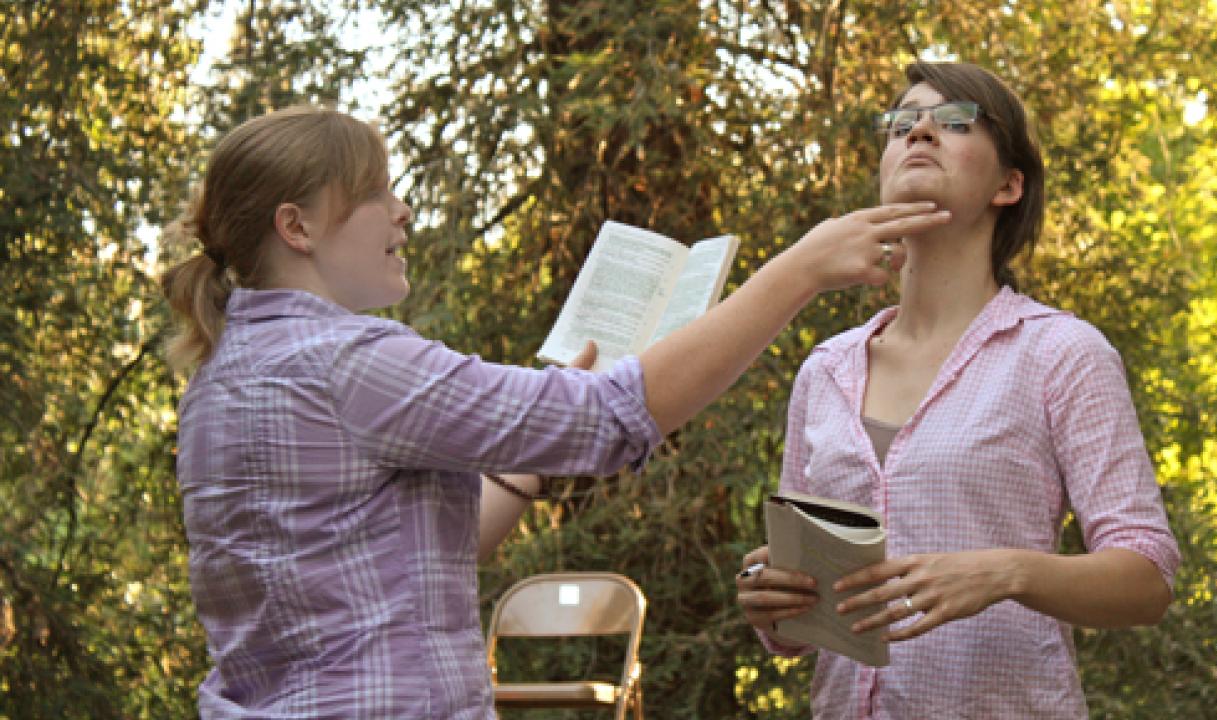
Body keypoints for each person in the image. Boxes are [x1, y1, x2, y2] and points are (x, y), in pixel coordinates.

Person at [159, 104, 950, 719]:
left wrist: (534, 453)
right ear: (295, 227)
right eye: (373, 194)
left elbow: (420, 552)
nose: (400, 211)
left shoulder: (219, 383)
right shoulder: (348, 362)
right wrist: (798, 271)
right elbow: (612, 420)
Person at [734, 62, 1180, 719]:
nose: (918, 132)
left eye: (954, 121)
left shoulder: (1062, 353)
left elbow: (1147, 579)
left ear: (1009, 183)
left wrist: (1007, 573)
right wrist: (774, 604)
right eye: (900, 123)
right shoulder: (824, 370)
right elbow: (804, 620)